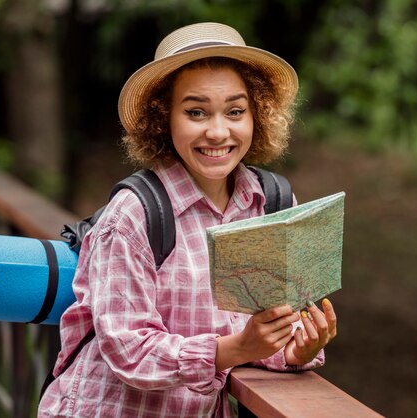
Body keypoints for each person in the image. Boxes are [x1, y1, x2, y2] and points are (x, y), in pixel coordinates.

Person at [38, 22, 337, 417]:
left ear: (257, 115)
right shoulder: (134, 213)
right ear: (163, 119)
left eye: (235, 111)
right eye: (196, 112)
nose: (218, 131)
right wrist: (236, 348)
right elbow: (129, 350)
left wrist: (297, 349)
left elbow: (260, 335)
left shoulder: (272, 204)